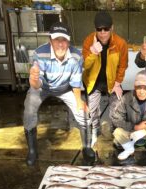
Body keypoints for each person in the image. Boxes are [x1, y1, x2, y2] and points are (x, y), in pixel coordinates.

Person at [23, 22, 94, 166]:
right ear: (50, 40)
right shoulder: (40, 53)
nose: (60, 44)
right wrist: (33, 80)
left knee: (84, 113)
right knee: (29, 110)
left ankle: (87, 147)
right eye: (57, 40)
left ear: (69, 41)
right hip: (43, 87)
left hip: (66, 88)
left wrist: (79, 102)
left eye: (64, 40)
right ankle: (32, 150)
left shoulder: (76, 55)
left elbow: (75, 82)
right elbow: (37, 84)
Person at [82, 11, 128, 147]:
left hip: (112, 82)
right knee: (93, 109)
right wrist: (93, 52)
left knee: (116, 108)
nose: (102, 33)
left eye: (106, 29)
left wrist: (118, 83)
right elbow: (86, 65)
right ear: (95, 29)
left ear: (112, 28)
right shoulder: (88, 41)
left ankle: (116, 133)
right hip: (93, 82)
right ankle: (95, 130)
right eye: (99, 29)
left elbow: (123, 65)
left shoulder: (120, 43)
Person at [110, 70, 146, 163]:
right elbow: (116, 119)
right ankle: (129, 149)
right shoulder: (127, 97)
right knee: (117, 132)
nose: (141, 92)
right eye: (138, 87)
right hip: (132, 133)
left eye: (145, 88)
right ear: (134, 87)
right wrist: (134, 127)